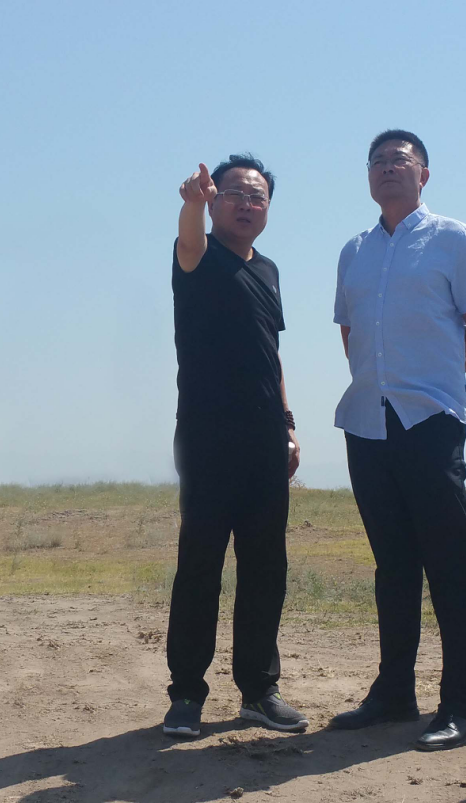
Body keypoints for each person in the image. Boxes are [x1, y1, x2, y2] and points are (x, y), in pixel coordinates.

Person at [329, 130, 466, 751]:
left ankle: (461, 706)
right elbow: (350, 333)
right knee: (393, 566)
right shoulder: (354, 250)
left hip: (428, 421)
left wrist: (433, 383)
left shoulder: (453, 238)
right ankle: (394, 693)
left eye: (399, 160)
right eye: (376, 161)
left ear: (423, 174)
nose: (387, 168)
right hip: (366, 423)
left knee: (451, 567)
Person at [163, 154, 308, 738]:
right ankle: (186, 695)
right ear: (215, 201)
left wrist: (288, 424)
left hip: (265, 439)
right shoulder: (198, 256)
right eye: (235, 194)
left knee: (266, 567)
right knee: (200, 565)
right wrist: (191, 205)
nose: (248, 204)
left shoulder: (268, 270)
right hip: (206, 437)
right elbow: (189, 239)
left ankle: (259, 690)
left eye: (258, 196)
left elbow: (271, 354)